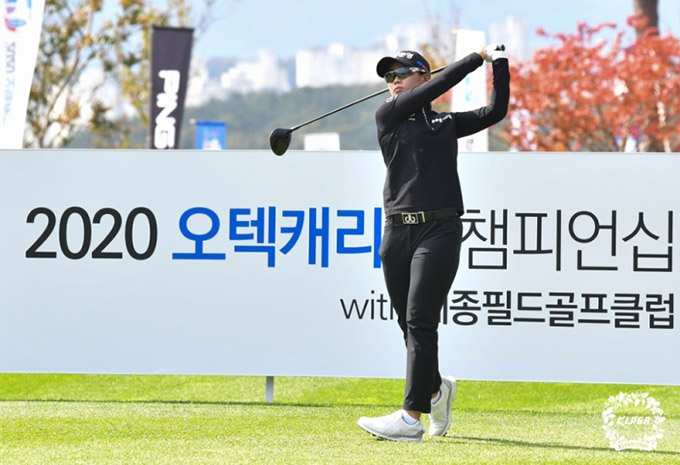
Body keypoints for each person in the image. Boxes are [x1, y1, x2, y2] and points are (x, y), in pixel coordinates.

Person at [357, 45, 510, 442]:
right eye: (389, 77)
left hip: (439, 230)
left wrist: (497, 63)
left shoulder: (444, 123)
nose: (394, 82)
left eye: (402, 74)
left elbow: (495, 111)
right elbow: (435, 88)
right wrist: (473, 59)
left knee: (420, 319)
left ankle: (410, 419)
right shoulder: (387, 115)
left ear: (424, 76)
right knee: (407, 325)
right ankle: (436, 390)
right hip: (397, 233)